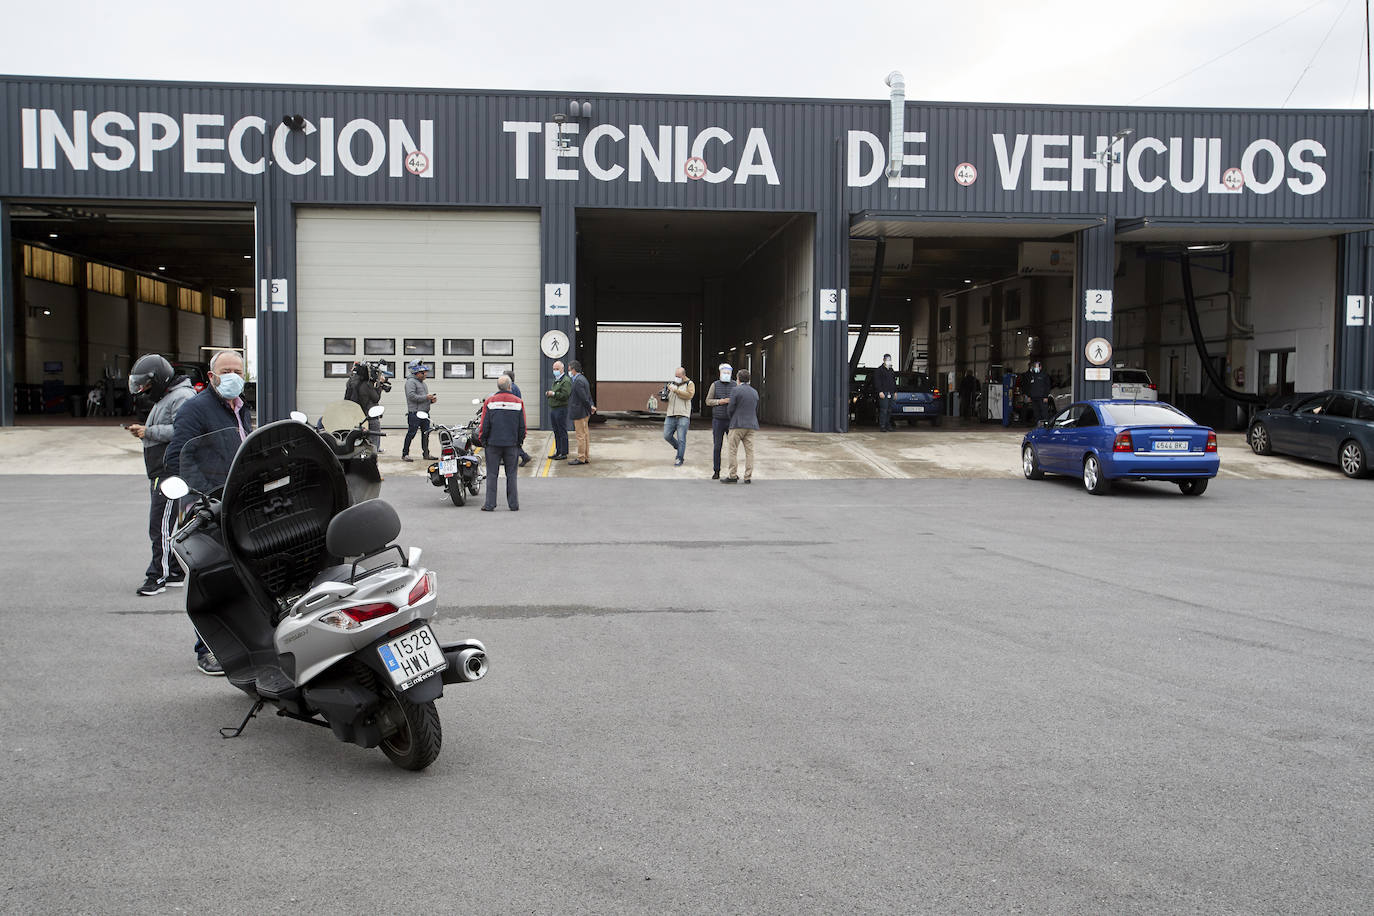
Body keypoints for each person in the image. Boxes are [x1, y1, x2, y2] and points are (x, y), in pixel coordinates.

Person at [164, 349, 254, 677]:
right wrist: (204, 497)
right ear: (212, 376)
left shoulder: (241, 408)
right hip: (208, 507)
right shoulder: (195, 409)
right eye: (226, 370)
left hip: (237, 503)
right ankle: (207, 649)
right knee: (210, 580)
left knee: (244, 578)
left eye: (238, 370)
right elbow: (178, 457)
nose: (233, 376)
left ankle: (244, 640)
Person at [127, 354, 196, 597]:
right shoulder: (168, 396)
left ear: (158, 379)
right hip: (161, 470)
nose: (144, 389)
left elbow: (182, 430)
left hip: (169, 472)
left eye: (147, 383)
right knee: (164, 524)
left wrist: (149, 431)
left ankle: (158, 575)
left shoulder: (182, 397)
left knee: (161, 526)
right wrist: (146, 432)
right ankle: (175, 570)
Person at [477, 375, 526, 511]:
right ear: (510, 386)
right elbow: (522, 425)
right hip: (512, 444)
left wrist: (484, 440)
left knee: (492, 474)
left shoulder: (490, 402)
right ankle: (513, 504)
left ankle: (490, 504)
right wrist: (519, 441)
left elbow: (484, 424)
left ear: (498, 387)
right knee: (512, 474)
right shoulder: (518, 402)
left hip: (493, 444)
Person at [722, 368, 759, 484]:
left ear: (738, 379)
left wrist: (732, 417)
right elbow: (755, 408)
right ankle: (748, 476)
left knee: (733, 450)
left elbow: (731, 408)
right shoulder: (754, 392)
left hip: (737, 424)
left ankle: (733, 475)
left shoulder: (735, 390)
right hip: (751, 425)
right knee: (750, 452)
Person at [702, 362, 737, 479]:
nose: (726, 374)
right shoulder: (715, 385)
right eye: (724, 373)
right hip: (718, 420)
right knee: (717, 446)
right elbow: (708, 401)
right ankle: (716, 470)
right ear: (720, 373)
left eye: (728, 373)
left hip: (731, 420)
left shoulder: (735, 385)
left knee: (733, 447)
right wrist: (719, 402)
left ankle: (733, 472)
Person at [344, 361, 385, 451]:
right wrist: (379, 387)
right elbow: (376, 398)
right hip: (369, 415)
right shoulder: (367, 385)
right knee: (374, 435)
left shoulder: (351, 383)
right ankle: (374, 452)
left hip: (356, 415)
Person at [401, 361, 436, 462]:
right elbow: (411, 397)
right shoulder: (410, 382)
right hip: (415, 413)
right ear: (416, 373)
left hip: (425, 413)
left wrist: (430, 400)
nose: (425, 374)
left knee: (426, 434)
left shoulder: (423, 384)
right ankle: (405, 454)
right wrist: (426, 397)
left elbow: (422, 399)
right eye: (423, 372)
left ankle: (426, 454)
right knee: (411, 433)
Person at [661, 366, 695, 466]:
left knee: (681, 438)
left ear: (683, 375)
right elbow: (669, 397)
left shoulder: (690, 384)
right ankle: (678, 446)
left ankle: (679, 458)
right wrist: (665, 393)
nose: (676, 377)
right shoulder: (672, 384)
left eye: (678, 376)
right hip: (671, 414)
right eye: (675, 375)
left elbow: (689, 396)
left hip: (683, 415)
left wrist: (676, 390)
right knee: (666, 435)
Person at [566, 359, 595, 466]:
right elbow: (588, 395)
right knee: (585, 434)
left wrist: (589, 407)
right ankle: (585, 456)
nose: (569, 372)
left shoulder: (578, 381)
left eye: (569, 370)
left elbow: (583, 398)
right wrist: (590, 406)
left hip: (580, 412)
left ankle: (581, 457)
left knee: (580, 436)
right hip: (584, 412)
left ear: (573, 370)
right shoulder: (583, 379)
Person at [505, 368, 533, 467]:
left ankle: (524, 456)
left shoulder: (511, 388)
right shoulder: (515, 387)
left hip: (511, 418)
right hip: (514, 417)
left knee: (511, 440)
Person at [544, 360, 571, 461]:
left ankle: (564, 452)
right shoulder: (557, 380)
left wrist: (553, 394)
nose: (555, 371)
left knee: (562, 430)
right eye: (554, 369)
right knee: (556, 431)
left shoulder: (565, 381)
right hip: (554, 409)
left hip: (561, 409)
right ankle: (558, 450)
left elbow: (565, 395)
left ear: (562, 369)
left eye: (557, 369)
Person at [874, 353, 897, 431]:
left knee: (889, 410)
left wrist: (895, 392)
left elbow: (894, 381)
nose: (888, 361)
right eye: (887, 359)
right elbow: (877, 382)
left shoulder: (891, 370)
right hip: (884, 393)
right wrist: (880, 391)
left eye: (889, 360)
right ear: (883, 360)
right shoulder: (879, 370)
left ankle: (888, 425)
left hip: (891, 392)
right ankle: (882, 426)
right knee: (884, 409)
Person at [1025, 360, 1052, 424]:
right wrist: (1029, 396)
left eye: (1037, 367)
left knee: (1044, 412)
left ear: (1040, 367)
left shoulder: (1044, 375)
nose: (1035, 368)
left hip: (1042, 397)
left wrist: (1046, 396)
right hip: (1034, 397)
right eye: (1034, 367)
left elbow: (1047, 386)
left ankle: (1046, 425)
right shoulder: (1032, 375)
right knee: (1036, 412)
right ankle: (1038, 425)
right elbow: (1029, 386)